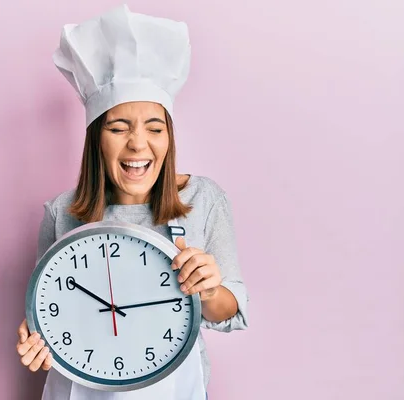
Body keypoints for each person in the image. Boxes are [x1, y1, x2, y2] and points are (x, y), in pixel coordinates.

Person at [16, 4, 249, 399]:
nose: (138, 143)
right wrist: (35, 338)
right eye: (119, 127)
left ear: (168, 137)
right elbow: (48, 313)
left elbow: (229, 312)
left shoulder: (203, 198)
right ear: (96, 139)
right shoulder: (61, 213)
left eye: (155, 128)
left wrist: (209, 290)